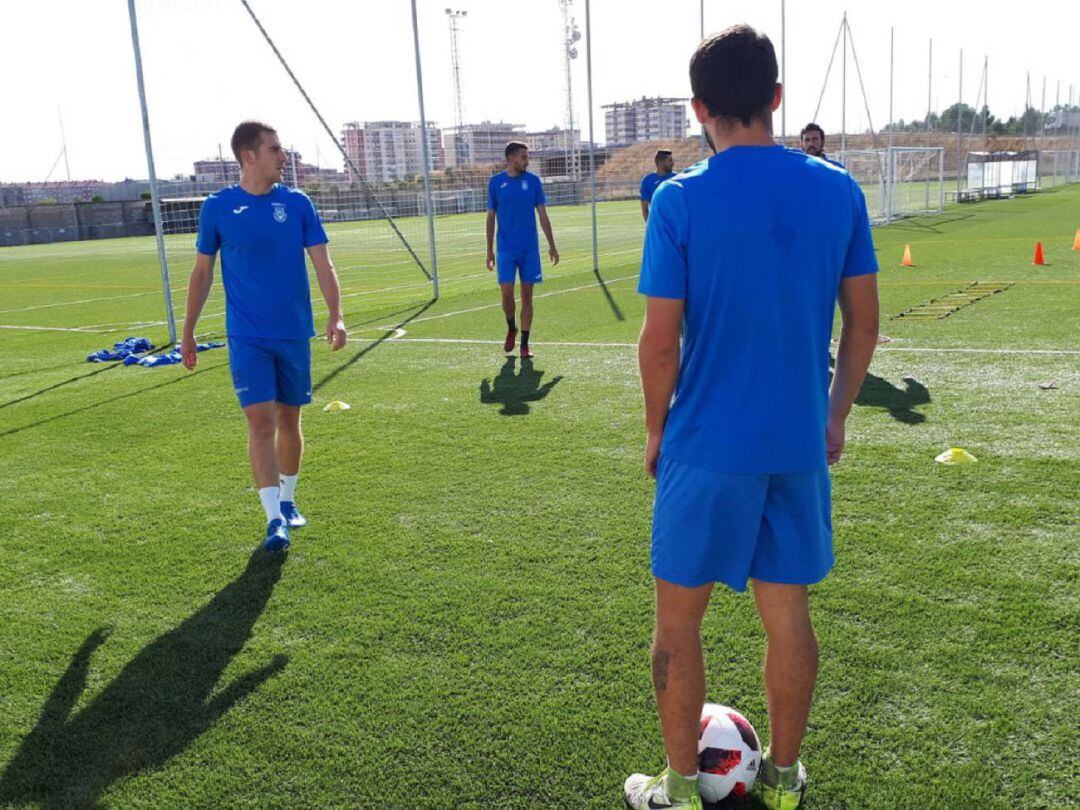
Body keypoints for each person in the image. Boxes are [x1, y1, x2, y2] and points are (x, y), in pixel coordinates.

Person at [627, 25, 879, 810]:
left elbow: (659, 345)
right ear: (776, 97)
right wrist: (834, 416)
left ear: (700, 108)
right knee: (788, 617)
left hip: (706, 445)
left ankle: (675, 786)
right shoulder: (838, 189)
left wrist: (655, 430)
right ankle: (782, 781)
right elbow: (864, 325)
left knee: (678, 625)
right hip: (796, 442)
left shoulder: (679, 200)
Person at [181, 120, 347, 552]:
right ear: (249, 155)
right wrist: (188, 332)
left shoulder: (297, 203)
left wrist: (337, 315)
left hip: (293, 332)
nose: (283, 156)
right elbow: (202, 273)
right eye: (275, 149)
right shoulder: (217, 208)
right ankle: (274, 519)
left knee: (290, 419)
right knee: (261, 421)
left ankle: (289, 500)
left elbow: (323, 265)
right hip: (246, 336)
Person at [486, 142, 559, 359]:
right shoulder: (496, 183)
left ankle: (525, 345)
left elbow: (543, 215)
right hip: (505, 249)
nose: (527, 160)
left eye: (527, 157)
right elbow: (490, 218)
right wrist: (489, 250)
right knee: (507, 293)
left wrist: (552, 245)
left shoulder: (534, 182)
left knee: (527, 296)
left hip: (529, 250)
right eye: (523, 157)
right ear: (511, 158)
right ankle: (511, 328)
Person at [641, 149, 677, 221]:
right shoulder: (648, 181)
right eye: (670, 161)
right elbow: (644, 209)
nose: (673, 163)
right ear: (660, 163)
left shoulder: (677, 178)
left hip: (676, 222)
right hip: (658, 223)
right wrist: (650, 227)